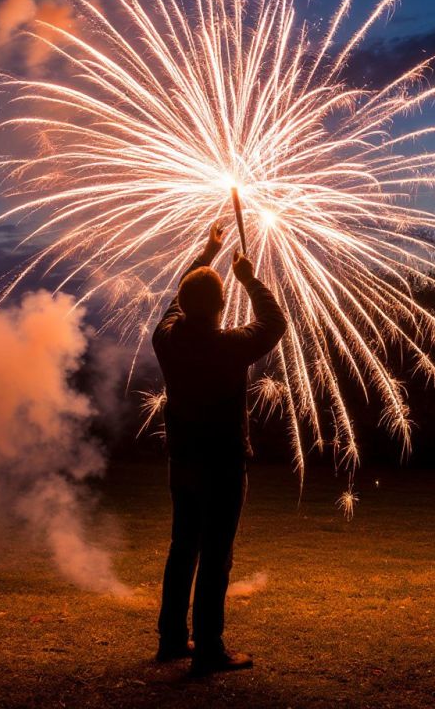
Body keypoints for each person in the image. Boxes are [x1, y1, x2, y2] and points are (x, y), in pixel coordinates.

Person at [152, 220, 287, 676]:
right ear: (222, 304)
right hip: (223, 465)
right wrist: (249, 278)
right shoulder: (230, 346)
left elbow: (177, 299)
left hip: (182, 461)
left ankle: (172, 638)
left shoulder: (166, 338)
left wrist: (207, 255)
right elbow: (274, 322)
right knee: (216, 555)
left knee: (182, 548)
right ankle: (209, 648)